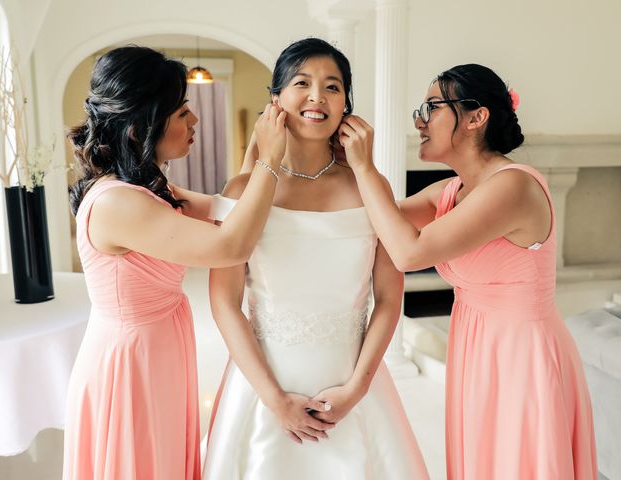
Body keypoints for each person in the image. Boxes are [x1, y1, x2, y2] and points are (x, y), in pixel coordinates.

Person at [342, 63, 597, 479]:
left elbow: (408, 253)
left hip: (522, 354)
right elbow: (374, 219)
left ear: (477, 117)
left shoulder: (512, 187)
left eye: (431, 108)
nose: (420, 122)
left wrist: (365, 167)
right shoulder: (451, 190)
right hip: (477, 344)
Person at [201, 38, 429, 480]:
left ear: (346, 104)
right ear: (276, 100)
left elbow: (387, 298)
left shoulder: (368, 186)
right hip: (264, 389)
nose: (317, 97)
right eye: (302, 83)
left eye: (333, 86)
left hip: (353, 387)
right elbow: (224, 303)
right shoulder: (242, 190)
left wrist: (357, 388)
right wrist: (273, 398)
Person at [62, 45, 286, 480]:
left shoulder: (147, 186)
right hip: (130, 365)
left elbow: (225, 210)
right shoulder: (117, 203)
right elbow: (231, 245)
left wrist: (256, 152)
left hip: (158, 348)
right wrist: (271, 164)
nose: (195, 121)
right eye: (183, 112)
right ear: (139, 124)